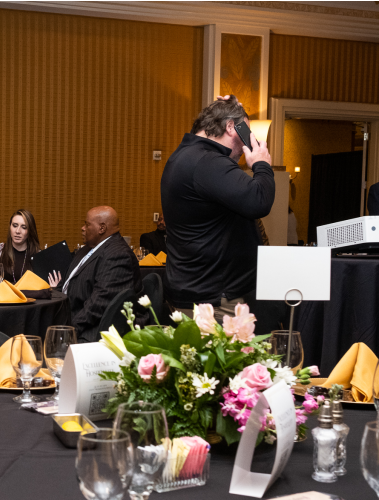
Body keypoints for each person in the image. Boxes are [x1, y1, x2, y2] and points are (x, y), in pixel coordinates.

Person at [161, 95, 275, 318]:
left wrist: (234, 108)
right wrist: (262, 164)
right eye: (245, 134)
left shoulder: (186, 156)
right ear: (231, 127)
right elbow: (259, 200)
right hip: (215, 300)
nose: (245, 145)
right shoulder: (208, 161)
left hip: (200, 291)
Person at [62, 206, 143, 342]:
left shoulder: (118, 255)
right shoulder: (88, 249)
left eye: (87, 224)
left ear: (102, 228)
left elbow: (98, 304)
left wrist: (69, 331)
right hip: (72, 317)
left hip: (94, 331)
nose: (82, 228)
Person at [0, 209, 61, 285]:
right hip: (1, 303)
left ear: (30, 231)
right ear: (10, 227)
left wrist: (53, 287)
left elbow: (45, 287)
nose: (17, 231)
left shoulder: (39, 256)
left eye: (24, 227)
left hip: (29, 304)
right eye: (15, 226)